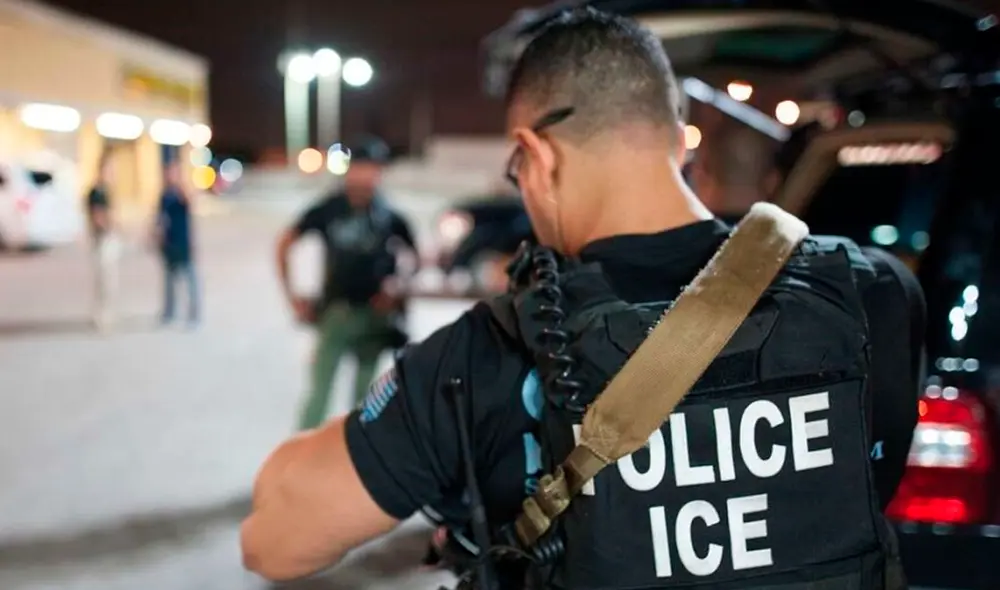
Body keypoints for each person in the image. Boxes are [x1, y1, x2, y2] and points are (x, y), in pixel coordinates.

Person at [242, 9, 925, 590]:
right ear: (669, 128)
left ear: (536, 156)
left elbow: (273, 543)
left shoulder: (493, 352)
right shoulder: (874, 290)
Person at [276, 136, 416, 430]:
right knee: (319, 394)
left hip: (376, 318)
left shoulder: (387, 214)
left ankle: (354, 465)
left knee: (366, 401)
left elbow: (413, 258)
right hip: (336, 313)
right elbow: (285, 243)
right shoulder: (330, 209)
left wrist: (397, 288)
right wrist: (293, 295)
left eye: (375, 169)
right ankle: (302, 463)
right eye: (363, 167)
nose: (368, 175)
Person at [156, 160, 199, 327]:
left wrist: (181, 184)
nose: (169, 176)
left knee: (191, 281)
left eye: (173, 172)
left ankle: (194, 315)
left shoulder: (181, 193)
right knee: (169, 282)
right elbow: (160, 218)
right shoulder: (164, 195)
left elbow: (191, 202)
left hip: (183, 244)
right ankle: (169, 312)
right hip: (169, 244)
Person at [87, 151, 120, 332]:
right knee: (105, 282)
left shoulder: (107, 190)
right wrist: (111, 224)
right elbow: (97, 217)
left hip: (107, 239)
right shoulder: (97, 191)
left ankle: (105, 315)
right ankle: (102, 318)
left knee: (108, 281)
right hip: (102, 240)